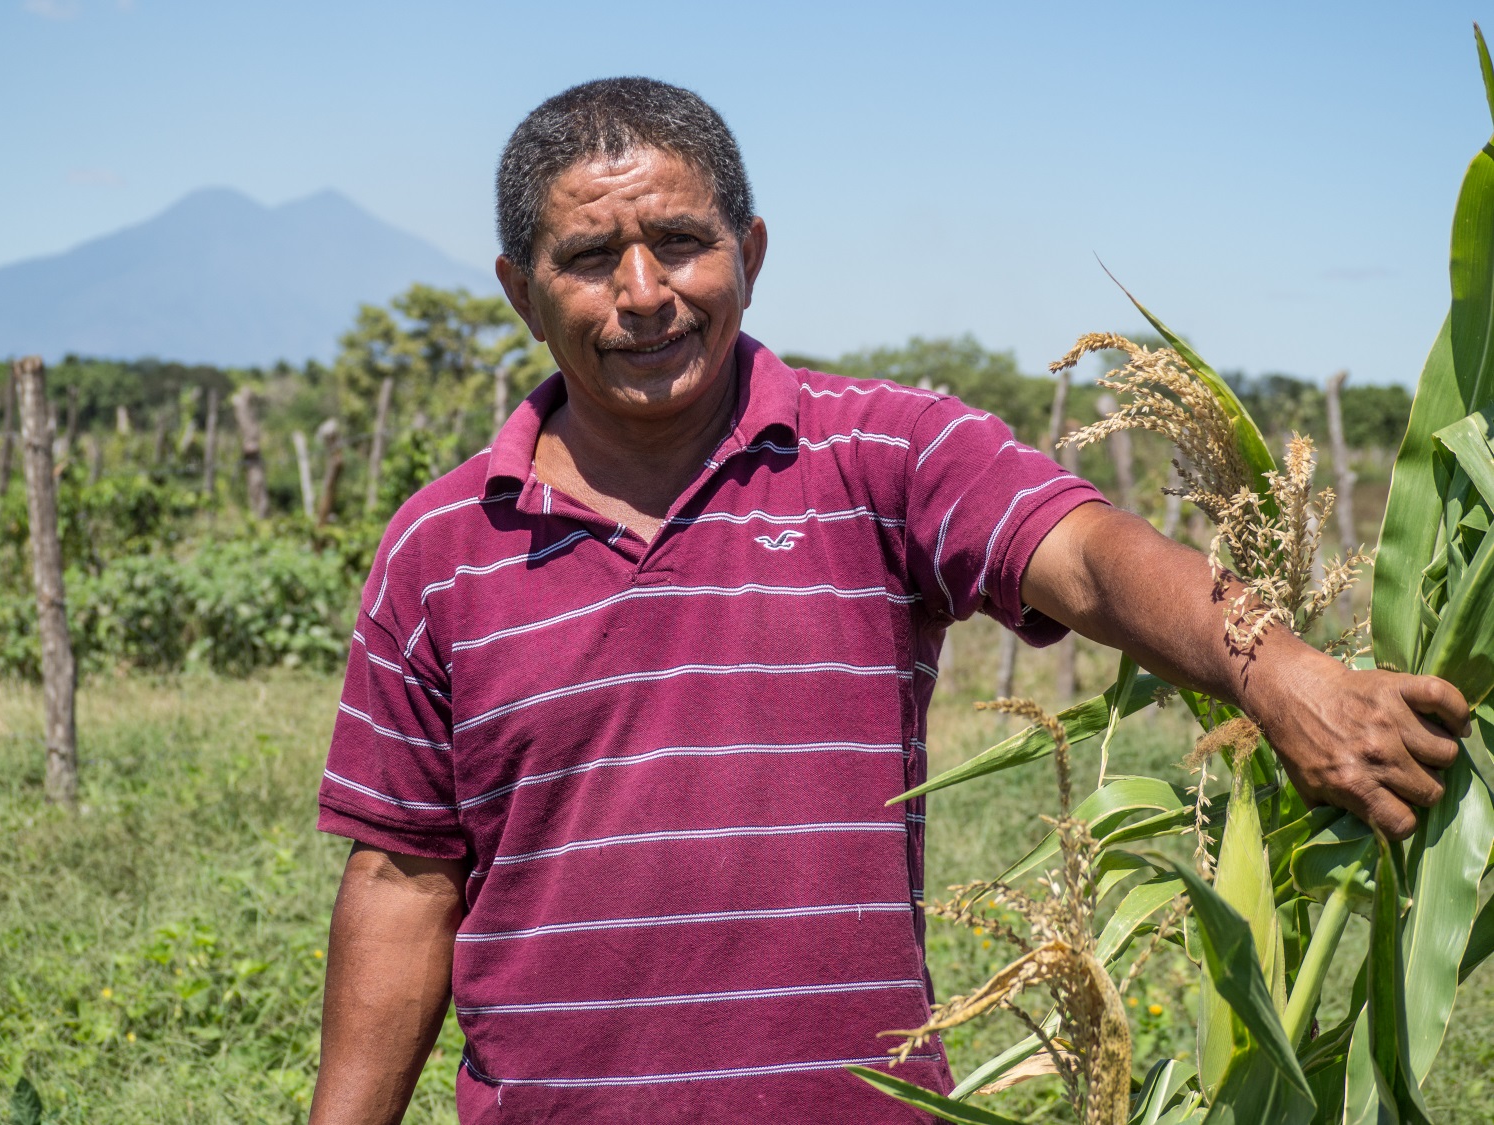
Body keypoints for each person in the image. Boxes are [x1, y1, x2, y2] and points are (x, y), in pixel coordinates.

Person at [307, 78, 1470, 1125]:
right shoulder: (441, 548)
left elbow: (1087, 555)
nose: (645, 293)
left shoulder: (882, 453)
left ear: (750, 252)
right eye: (589, 257)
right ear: (520, 289)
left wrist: (1284, 675)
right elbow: (403, 881)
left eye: (680, 241)